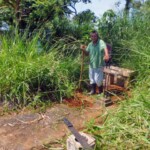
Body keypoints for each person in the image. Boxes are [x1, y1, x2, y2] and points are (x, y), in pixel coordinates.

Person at [80, 30, 109, 95]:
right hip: (91, 65)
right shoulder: (90, 44)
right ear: (91, 37)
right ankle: (93, 91)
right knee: (92, 79)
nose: (93, 38)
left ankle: (100, 92)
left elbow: (105, 47)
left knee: (98, 80)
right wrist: (83, 50)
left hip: (99, 64)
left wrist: (107, 54)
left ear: (97, 36)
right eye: (92, 36)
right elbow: (87, 53)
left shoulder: (100, 42)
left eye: (95, 36)